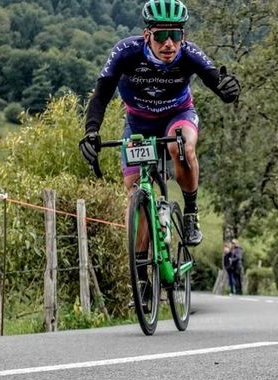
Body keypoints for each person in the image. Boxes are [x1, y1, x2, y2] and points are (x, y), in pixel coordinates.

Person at [78, 0, 241, 246]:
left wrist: (229, 89)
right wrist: (91, 132)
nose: (169, 43)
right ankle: (142, 269)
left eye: (175, 35)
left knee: (181, 146)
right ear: (147, 35)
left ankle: (190, 213)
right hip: (139, 124)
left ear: (182, 36)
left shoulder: (189, 53)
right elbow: (100, 96)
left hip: (178, 115)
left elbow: (216, 81)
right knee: (135, 192)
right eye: (161, 35)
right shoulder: (126, 52)